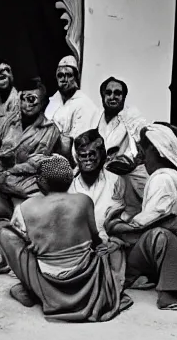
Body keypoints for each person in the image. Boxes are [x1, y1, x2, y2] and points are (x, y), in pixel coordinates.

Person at [0, 154, 131, 320]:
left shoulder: (27, 206)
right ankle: (53, 295)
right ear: (70, 180)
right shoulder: (84, 200)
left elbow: (27, 240)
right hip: (84, 273)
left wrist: (36, 243)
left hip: (46, 275)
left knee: (1, 228)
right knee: (116, 246)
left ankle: (34, 291)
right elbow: (95, 239)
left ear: (41, 181)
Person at [106, 124, 177, 313]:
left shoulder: (161, 178)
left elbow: (146, 222)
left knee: (159, 236)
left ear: (156, 152)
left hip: (156, 250)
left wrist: (116, 225)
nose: (143, 157)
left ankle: (168, 294)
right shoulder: (171, 176)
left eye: (145, 151)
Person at [0, 78, 62, 201]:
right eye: (23, 98)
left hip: (26, 178)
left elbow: (37, 162)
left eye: (32, 99)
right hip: (1, 172)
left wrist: (12, 169)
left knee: (36, 189)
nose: (26, 104)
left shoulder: (51, 130)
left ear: (44, 103)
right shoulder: (7, 121)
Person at [96, 76, 148, 209]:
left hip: (126, 180)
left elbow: (145, 140)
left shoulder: (131, 115)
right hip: (99, 179)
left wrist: (133, 160)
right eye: (108, 93)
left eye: (118, 93)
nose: (112, 97)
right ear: (102, 96)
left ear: (124, 97)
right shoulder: (96, 119)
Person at [70, 130, 126, 240]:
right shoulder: (70, 186)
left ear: (101, 154)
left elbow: (123, 216)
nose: (87, 160)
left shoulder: (116, 181)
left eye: (92, 154)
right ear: (77, 157)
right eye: (83, 155)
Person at [47, 56, 103, 154]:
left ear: (76, 77)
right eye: (60, 75)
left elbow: (79, 145)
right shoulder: (54, 100)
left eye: (69, 75)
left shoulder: (84, 105)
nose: (64, 79)